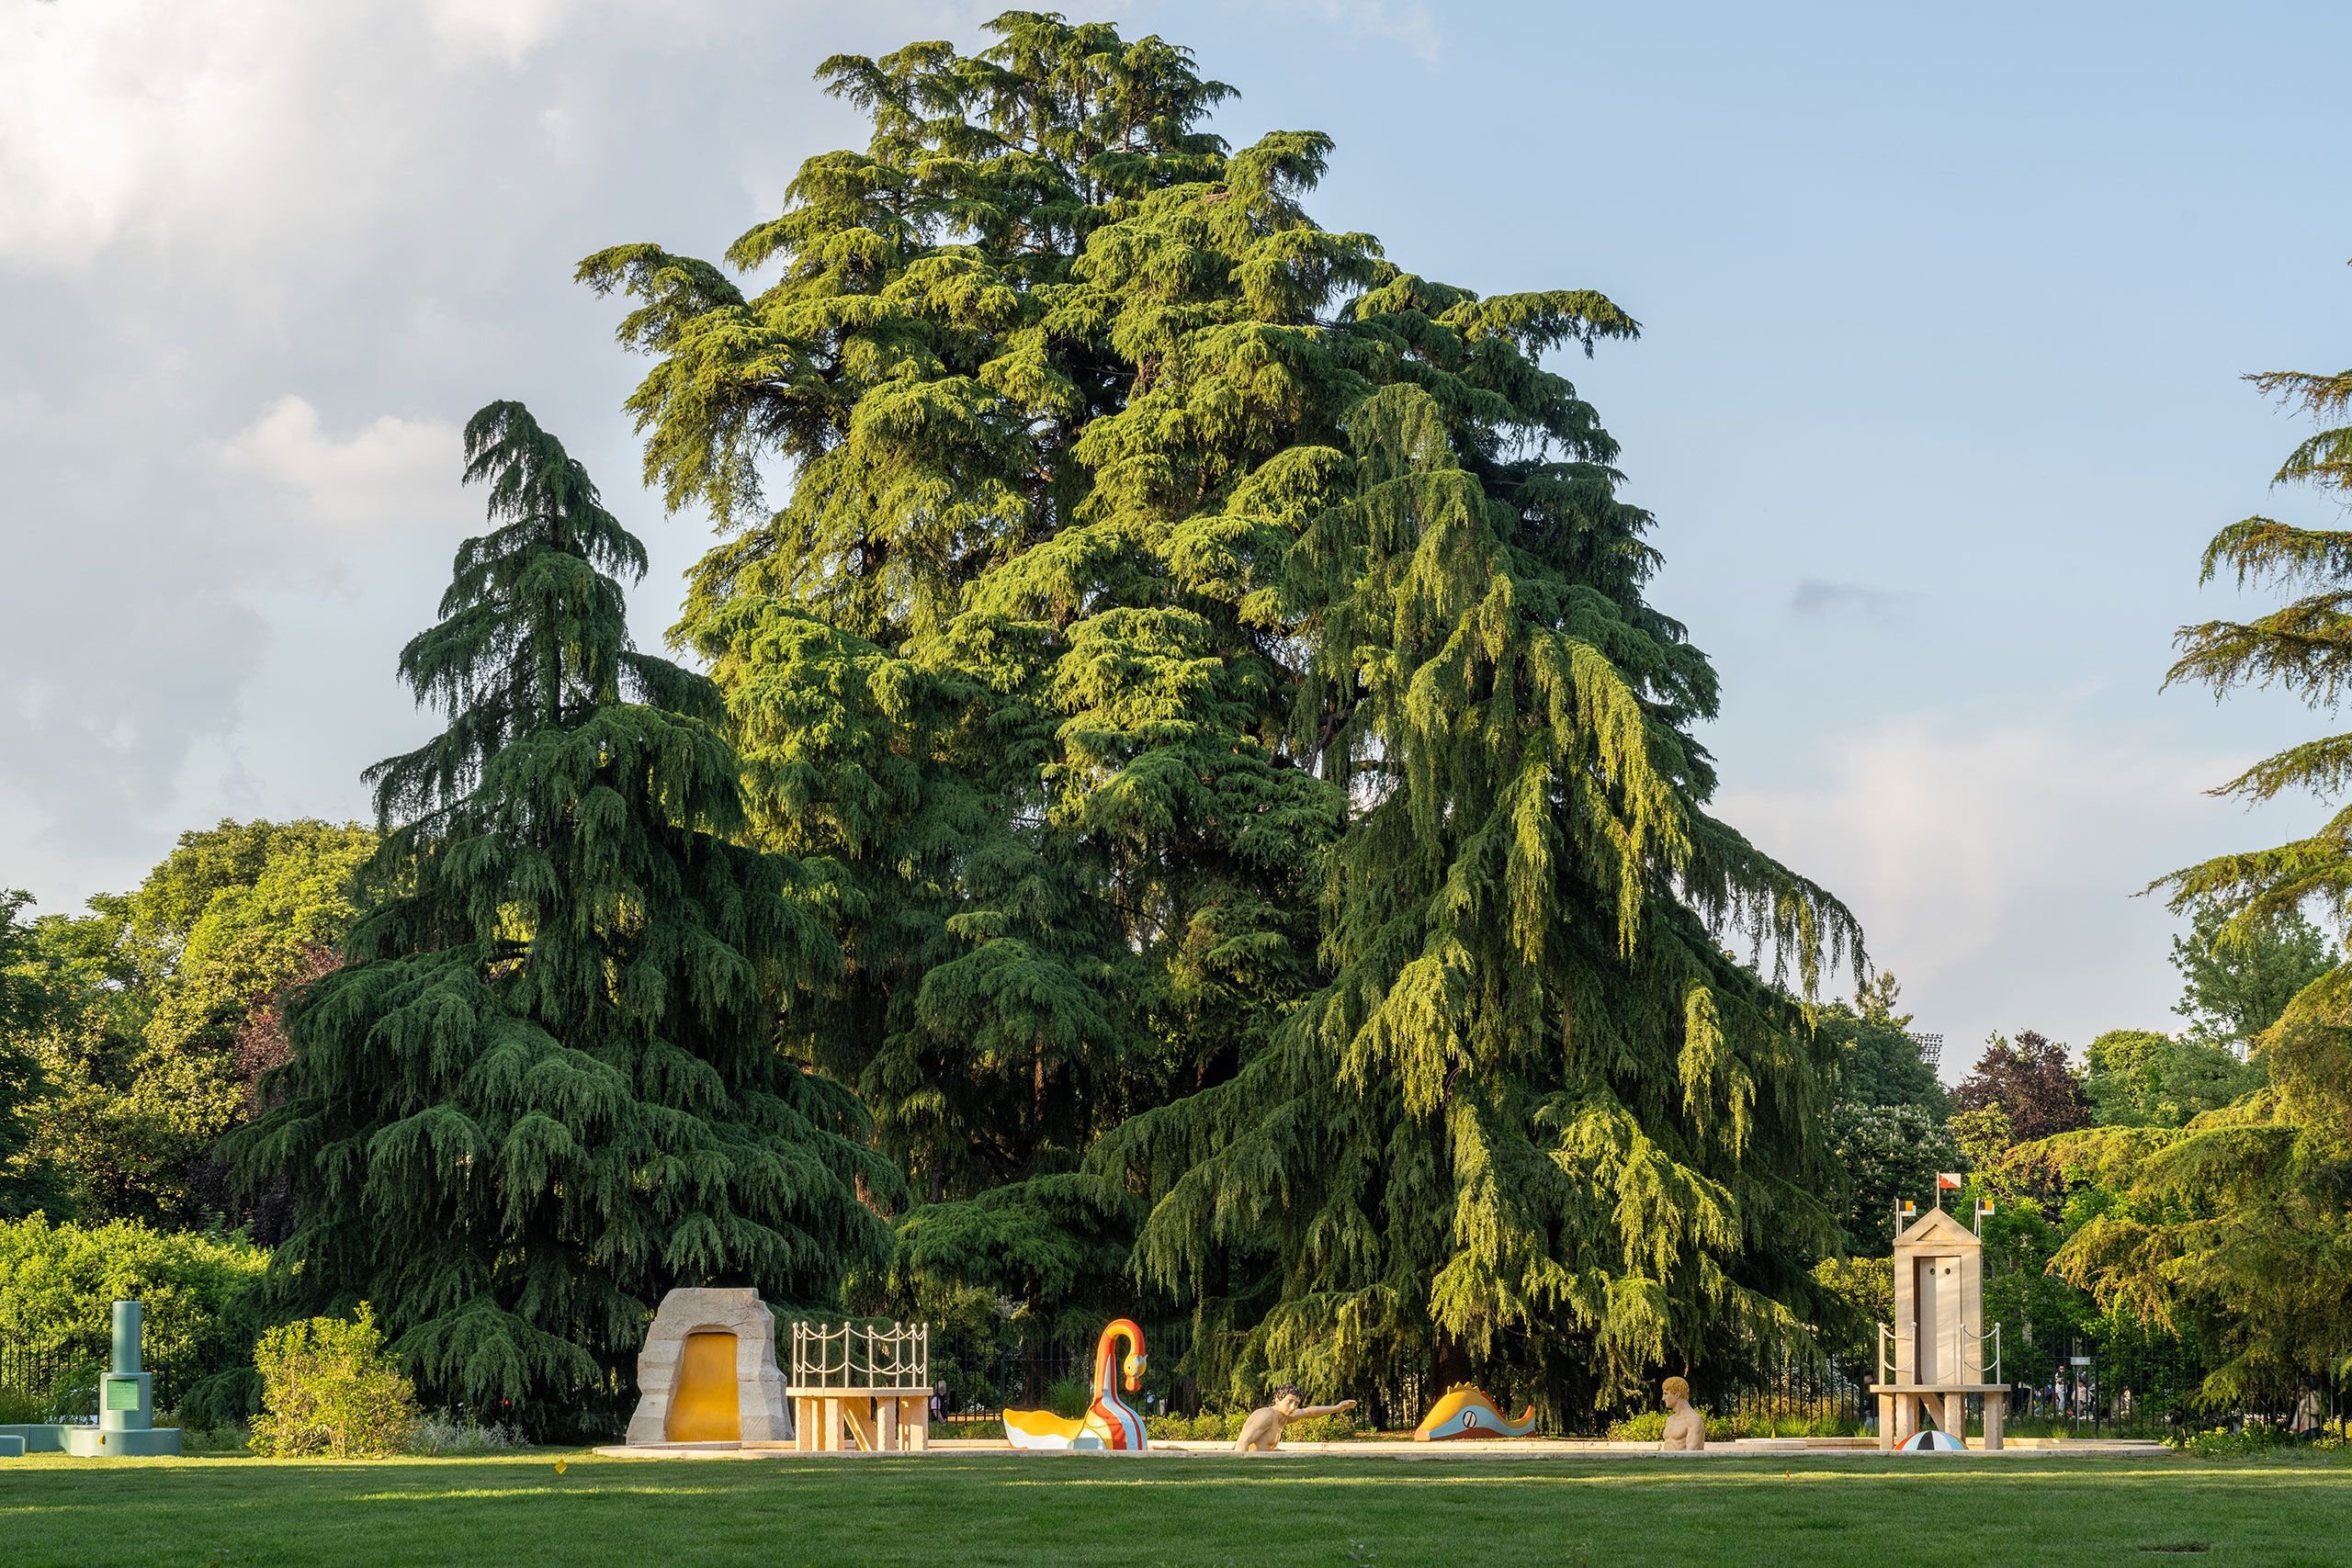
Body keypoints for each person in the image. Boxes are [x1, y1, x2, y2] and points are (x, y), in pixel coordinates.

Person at [1234, 1385, 1358, 1453]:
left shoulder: (1284, 1417)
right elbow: (1243, 1442)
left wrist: (1336, 1408)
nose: (1293, 1407)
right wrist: (1242, 1469)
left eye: (1296, 1403)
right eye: (1289, 1402)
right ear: (1277, 1400)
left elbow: (1309, 1412)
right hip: (1254, 1466)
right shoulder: (1266, 1416)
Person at [1660, 1376, 1704, 1451]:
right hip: (1667, 1459)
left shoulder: (1693, 1419)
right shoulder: (1669, 1420)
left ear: (1677, 1395)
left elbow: (1692, 1453)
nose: (1663, 1398)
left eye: (1666, 1394)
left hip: (1683, 1459)